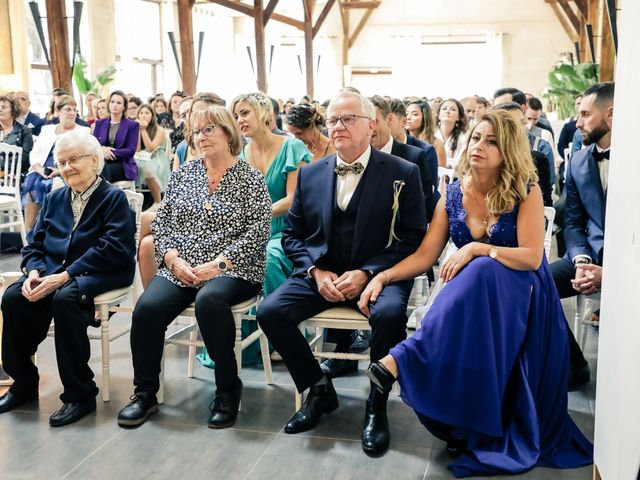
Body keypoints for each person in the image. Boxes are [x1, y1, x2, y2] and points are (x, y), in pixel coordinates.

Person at [360, 110, 593, 476]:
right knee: (474, 276)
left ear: (509, 150)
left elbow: (533, 258)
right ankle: (457, 413)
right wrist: (383, 277)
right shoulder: (452, 195)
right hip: (473, 300)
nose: (479, 147)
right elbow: (424, 256)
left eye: (492, 141)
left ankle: (399, 359)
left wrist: (478, 248)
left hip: (524, 291)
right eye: (476, 138)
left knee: (480, 267)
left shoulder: (525, 191)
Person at [257, 90, 427, 457]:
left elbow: (413, 238)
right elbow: (292, 235)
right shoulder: (311, 174)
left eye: (348, 118)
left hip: (379, 274)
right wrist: (316, 272)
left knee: (390, 314)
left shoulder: (403, 172)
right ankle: (318, 389)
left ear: (371, 126)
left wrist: (368, 272)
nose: (338, 126)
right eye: (333, 120)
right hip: (322, 275)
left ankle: (376, 405)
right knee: (270, 312)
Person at [116, 105, 271, 429]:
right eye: (196, 132)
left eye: (208, 130)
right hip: (181, 265)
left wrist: (219, 263)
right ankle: (144, 392)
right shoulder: (185, 174)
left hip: (234, 268)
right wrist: (172, 259)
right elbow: (164, 223)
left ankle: (228, 389)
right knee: (147, 309)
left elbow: (258, 231)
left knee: (210, 301)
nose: (201, 137)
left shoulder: (250, 178)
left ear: (228, 133)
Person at [0, 129, 136, 426]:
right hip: (54, 271)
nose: (66, 167)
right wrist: (33, 271)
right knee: (12, 297)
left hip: (101, 272)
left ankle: (80, 394)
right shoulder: (55, 197)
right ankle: (22, 383)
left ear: (94, 160)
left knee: (66, 298)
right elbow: (34, 243)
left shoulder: (113, 198)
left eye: (74, 159)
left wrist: (64, 275)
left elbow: (113, 249)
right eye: (61, 162)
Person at [550, 82, 614, 389]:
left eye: (586, 114)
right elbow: (572, 223)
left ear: (611, 115)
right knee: (533, 284)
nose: (578, 122)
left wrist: (610, 273)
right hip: (587, 256)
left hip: (629, 267)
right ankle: (574, 364)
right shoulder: (578, 161)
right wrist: (581, 260)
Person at [23, 95, 90, 231]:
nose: (72, 113)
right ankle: (29, 232)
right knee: (32, 184)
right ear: (58, 111)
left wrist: (60, 171)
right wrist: (39, 169)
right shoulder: (47, 129)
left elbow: (83, 158)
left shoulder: (83, 131)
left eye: (74, 110)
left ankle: (54, 231)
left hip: (68, 170)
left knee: (54, 186)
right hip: (43, 169)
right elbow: (35, 153)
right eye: (67, 109)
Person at [92, 90, 139, 183]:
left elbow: (131, 150)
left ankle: (103, 196)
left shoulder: (132, 125)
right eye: (112, 102)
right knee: (96, 168)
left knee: (102, 170)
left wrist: (109, 151)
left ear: (124, 107)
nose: (114, 105)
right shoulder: (100, 123)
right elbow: (93, 144)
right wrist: (102, 149)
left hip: (123, 164)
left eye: (118, 103)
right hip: (102, 161)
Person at [135, 104, 171, 209]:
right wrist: (137, 130)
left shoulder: (158, 129)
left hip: (156, 156)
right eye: (141, 113)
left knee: (148, 169)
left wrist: (143, 130)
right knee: (133, 166)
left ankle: (157, 201)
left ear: (152, 115)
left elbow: (151, 148)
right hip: (140, 156)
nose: (143, 116)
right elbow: (136, 149)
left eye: (147, 113)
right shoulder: (136, 127)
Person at [405, 100, 446, 166]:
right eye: (406, 114)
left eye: (414, 114)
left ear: (424, 118)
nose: (408, 117)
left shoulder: (436, 144)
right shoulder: (400, 141)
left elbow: (441, 172)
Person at [0, 93, 34, 173]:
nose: (0, 109)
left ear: (13, 110)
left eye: (3, 107)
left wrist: (2, 167)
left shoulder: (24, 131)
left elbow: (24, 158)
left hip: (15, 174)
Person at [436, 98, 468, 170]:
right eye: (444, 109)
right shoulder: (430, 133)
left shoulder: (464, 137)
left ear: (458, 117)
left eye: (453, 109)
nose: (447, 111)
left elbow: (462, 163)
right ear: (439, 115)